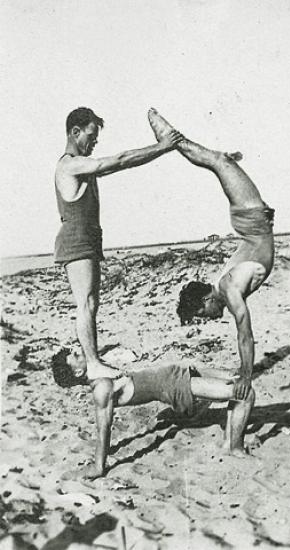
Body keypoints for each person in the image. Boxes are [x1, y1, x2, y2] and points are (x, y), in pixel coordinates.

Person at [148, 108, 275, 402]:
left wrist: (245, 374)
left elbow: (245, 331)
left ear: (207, 300)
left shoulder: (229, 289)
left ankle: (169, 137)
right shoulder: (221, 283)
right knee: (219, 162)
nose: (207, 319)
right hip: (253, 219)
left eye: (202, 314)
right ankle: (174, 140)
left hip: (251, 215)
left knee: (217, 161)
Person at [55, 107, 183, 380]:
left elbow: (122, 163)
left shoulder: (81, 166)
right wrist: (162, 147)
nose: (94, 142)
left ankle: (93, 359)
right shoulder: (69, 164)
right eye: (91, 135)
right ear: (75, 132)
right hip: (76, 240)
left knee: (92, 304)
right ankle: (92, 363)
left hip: (87, 240)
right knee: (86, 303)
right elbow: (121, 159)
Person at [52, 349, 255, 480]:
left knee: (236, 379)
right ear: (78, 373)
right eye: (76, 356)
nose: (81, 352)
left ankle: (229, 440)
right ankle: (234, 447)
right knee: (244, 394)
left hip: (178, 372)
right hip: (174, 385)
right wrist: (98, 466)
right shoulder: (101, 388)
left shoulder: (100, 371)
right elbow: (103, 427)